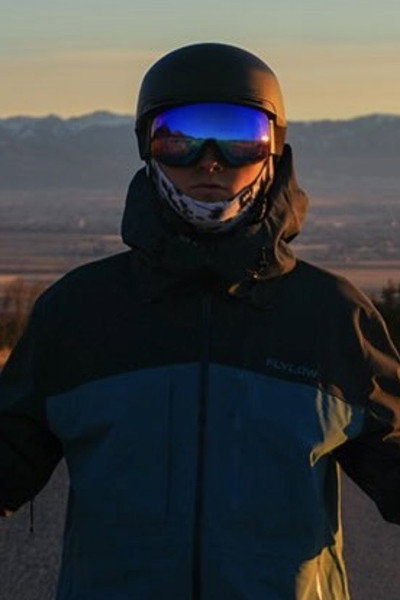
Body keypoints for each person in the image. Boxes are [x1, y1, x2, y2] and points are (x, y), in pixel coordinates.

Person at [1, 42, 400, 600]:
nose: (209, 161)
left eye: (240, 138)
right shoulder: (80, 311)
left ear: (274, 148)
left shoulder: (331, 315)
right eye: (180, 138)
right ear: (147, 146)